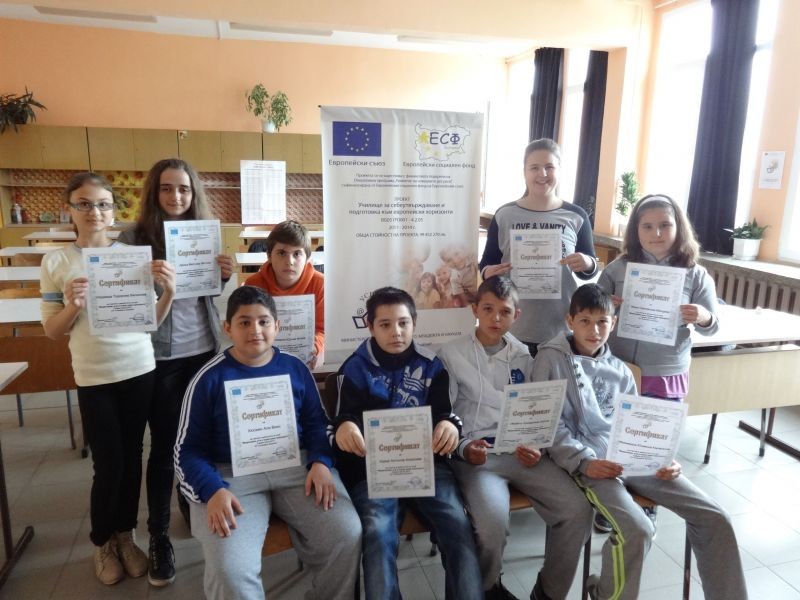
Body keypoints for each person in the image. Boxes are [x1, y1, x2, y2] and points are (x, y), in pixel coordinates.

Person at [534, 284, 747, 600]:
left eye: (602, 322)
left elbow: (637, 426)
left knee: (715, 516)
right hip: (586, 464)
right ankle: (608, 595)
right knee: (638, 529)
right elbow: (547, 426)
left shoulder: (620, 370)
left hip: (631, 458)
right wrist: (585, 462)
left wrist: (662, 457)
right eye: (585, 321)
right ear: (570, 321)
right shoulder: (549, 360)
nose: (595, 331)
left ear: (614, 322)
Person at [174, 286, 361, 600]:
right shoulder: (208, 378)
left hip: (297, 467)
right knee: (230, 570)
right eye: (244, 322)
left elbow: (317, 423)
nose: (255, 330)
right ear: (227, 328)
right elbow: (186, 450)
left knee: (346, 534)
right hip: (230, 478)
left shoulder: (295, 368)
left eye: (263, 321)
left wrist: (320, 461)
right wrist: (212, 490)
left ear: (277, 326)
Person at [40, 172, 176, 586]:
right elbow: (52, 331)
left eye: (102, 204)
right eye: (84, 203)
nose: (94, 212)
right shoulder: (56, 262)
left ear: (113, 211)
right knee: (108, 464)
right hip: (94, 376)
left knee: (132, 457)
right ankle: (102, 541)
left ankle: (125, 536)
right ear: (70, 210)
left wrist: (168, 292)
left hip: (138, 370)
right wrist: (73, 305)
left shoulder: (131, 256)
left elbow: (150, 322)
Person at [437, 276, 592, 600]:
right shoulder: (451, 354)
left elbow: (537, 411)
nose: (496, 318)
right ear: (474, 309)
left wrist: (536, 445)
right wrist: (464, 448)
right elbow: (443, 415)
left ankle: (549, 592)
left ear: (516, 315)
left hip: (521, 451)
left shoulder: (525, 356)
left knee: (577, 510)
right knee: (492, 525)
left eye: (505, 311)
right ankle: (488, 588)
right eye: (488, 309)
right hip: (477, 457)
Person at [118, 158, 234, 586]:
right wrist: (147, 280)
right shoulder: (133, 240)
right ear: (154, 192)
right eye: (167, 188)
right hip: (160, 358)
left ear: (193, 193)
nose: (176, 196)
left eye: (184, 189)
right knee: (166, 446)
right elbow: (124, 302)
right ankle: (159, 536)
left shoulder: (204, 232)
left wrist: (223, 277)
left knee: (201, 439)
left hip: (203, 352)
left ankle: (192, 505)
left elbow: (206, 295)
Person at [333, 286, 483, 600]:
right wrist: (345, 427)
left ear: (414, 323)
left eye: (403, 323)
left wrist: (448, 425)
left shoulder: (431, 365)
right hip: (373, 471)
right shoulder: (355, 368)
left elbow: (444, 413)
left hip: (426, 465)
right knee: (378, 533)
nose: (396, 332)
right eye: (385, 324)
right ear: (370, 326)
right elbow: (343, 419)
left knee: (457, 525)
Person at [597, 194, 719, 530]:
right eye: (647, 226)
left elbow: (714, 325)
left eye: (665, 225)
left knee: (653, 440)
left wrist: (703, 316)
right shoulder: (617, 269)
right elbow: (592, 307)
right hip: (620, 367)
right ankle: (612, 500)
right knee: (614, 435)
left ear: (679, 228)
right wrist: (607, 304)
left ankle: (650, 501)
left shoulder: (695, 274)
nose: (657, 233)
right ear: (635, 231)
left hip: (665, 371)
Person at [479, 138, 598, 356]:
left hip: (559, 328)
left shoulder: (576, 216)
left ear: (559, 170)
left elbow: (589, 269)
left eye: (549, 167)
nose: (542, 174)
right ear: (524, 172)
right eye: (534, 167)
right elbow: (486, 264)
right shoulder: (505, 215)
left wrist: (587, 262)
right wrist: (489, 272)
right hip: (512, 326)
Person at [245, 220, 325, 369]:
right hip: (265, 359)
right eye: (281, 253)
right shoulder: (254, 284)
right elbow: (248, 327)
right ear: (269, 256)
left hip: (304, 359)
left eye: (297, 254)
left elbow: (322, 329)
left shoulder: (320, 284)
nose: (289, 261)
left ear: (307, 258)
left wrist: (316, 347)